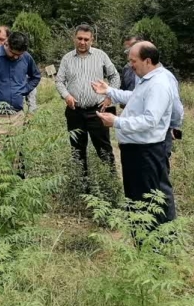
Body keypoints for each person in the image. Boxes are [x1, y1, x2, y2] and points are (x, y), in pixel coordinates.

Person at [91, 42, 177, 230]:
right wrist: (110, 91)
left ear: (147, 60)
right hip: (138, 152)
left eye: (133, 60)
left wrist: (116, 122)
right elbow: (136, 98)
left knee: (149, 198)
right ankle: (147, 240)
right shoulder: (149, 79)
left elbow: (150, 120)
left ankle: (156, 241)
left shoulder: (159, 84)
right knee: (141, 197)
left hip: (145, 153)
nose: (130, 65)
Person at [55, 24, 120, 176]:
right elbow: (59, 81)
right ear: (74, 38)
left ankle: (111, 181)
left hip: (97, 110)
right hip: (75, 111)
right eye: (79, 39)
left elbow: (115, 76)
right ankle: (82, 184)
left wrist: (109, 97)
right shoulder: (67, 58)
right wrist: (66, 96)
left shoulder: (100, 56)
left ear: (92, 40)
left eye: (86, 39)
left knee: (103, 148)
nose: (82, 42)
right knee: (77, 149)